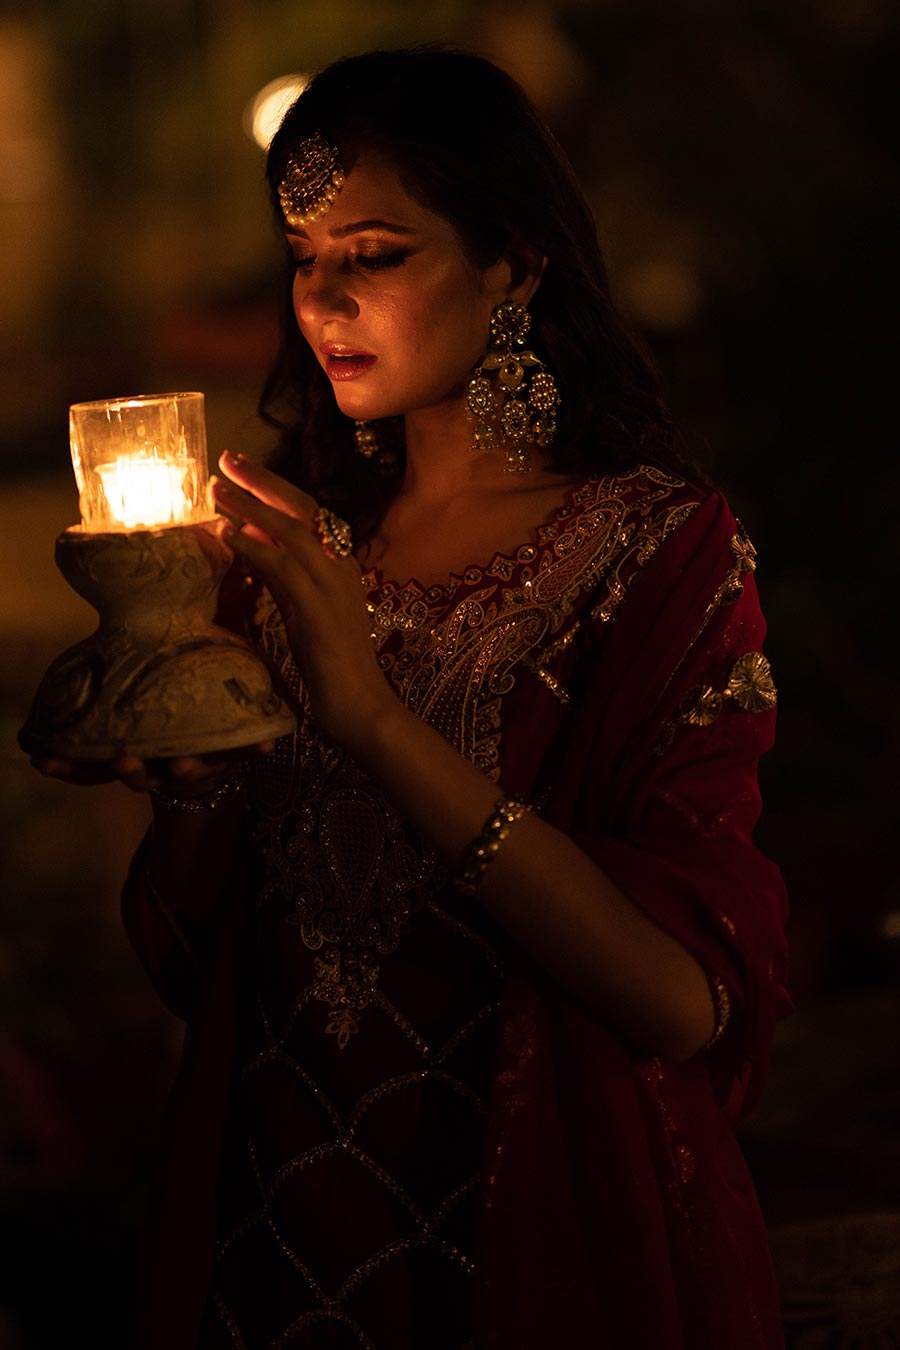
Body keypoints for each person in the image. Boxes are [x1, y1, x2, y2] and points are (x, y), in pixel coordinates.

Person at [36, 47, 790, 1350]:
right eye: (303, 253)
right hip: (267, 1229)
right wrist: (194, 768)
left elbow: (681, 999)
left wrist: (374, 721)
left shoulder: (655, 552)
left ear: (515, 263)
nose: (320, 297)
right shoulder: (284, 551)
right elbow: (193, 958)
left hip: (533, 1226)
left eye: (374, 253)